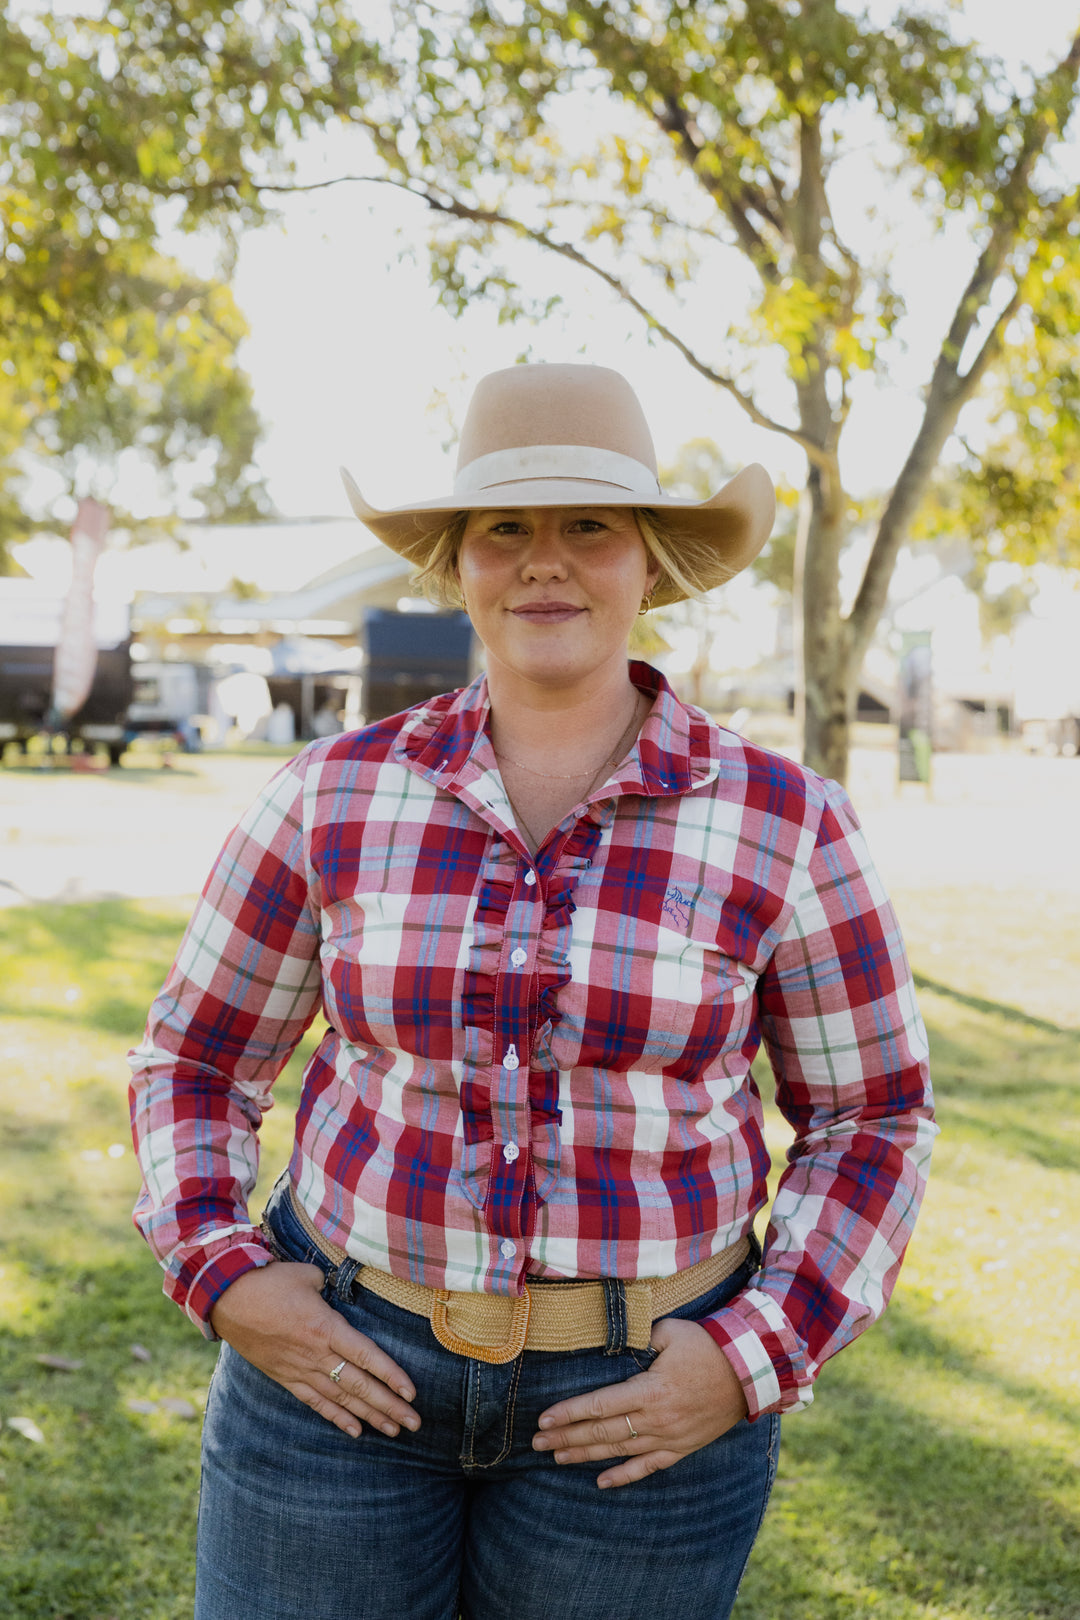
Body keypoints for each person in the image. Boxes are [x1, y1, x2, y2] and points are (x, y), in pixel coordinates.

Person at [129, 364, 935, 1620]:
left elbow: (873, 1115)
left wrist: (752, 1358)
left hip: (645, 1420)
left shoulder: (787, 822)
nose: (545, 562)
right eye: (506, 527)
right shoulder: (332, 793)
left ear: (652, 562)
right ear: (459, 562)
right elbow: (195, 1061)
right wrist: (222, 1270)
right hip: (335, 1375)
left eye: (590, 527)